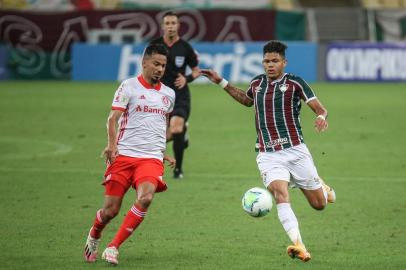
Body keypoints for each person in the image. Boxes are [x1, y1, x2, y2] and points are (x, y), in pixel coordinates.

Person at [201, 41, 336, 262]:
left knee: (319, 204)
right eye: (266, 61)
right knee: (281, 194)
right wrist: (221, 82)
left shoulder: (295, 83)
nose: (270, 65)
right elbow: (247, 101)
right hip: (268, 154)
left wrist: (321, 117)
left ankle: (321, 185)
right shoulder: (257, 83)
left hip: (296, 150)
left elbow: (320, 108)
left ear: (284, 62)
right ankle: (299, 245)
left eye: (274, 61)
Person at [83, 43, 176, 266]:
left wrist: (162, 150)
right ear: (144, 63)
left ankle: (113, 247)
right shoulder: (129, 86)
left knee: (145, 198)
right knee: (110, 211)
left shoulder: (168, 94)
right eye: (156, 64)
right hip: (124, 155)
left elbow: (160, 124)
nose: (160, 69)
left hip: (150, 158)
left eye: (163, 65)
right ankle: (95, 234)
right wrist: (111, 146)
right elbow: (113, 118)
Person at [149, 11, 201, 179]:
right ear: (163, 26)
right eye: (168, 23)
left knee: (176, 128)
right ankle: (181, 135)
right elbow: (146, 66)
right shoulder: (154, 45)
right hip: (159, 96)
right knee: (163, 136)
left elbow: (196, 70)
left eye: (173, 23)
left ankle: (178, 169)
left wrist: (186, 79)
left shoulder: (185, 47)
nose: (170, 26)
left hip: (180, 95)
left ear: (178, 26)